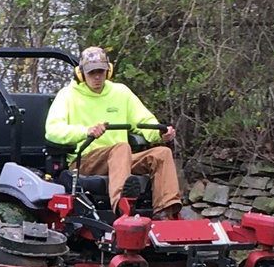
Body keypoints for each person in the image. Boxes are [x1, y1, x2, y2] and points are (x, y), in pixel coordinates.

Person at [43, 46, 181, 215]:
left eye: (101, 71)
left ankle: (167, 211)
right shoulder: (67, 95)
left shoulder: (121, 92)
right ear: (80, 73)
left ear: (108, 71)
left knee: (162, 153)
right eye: (92, 72)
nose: (97, 76)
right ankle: (122, 209)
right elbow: (53, 131)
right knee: (122, 147)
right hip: (85, 160)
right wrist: (86, 131)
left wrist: (160, 133)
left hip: (120, 159)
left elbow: (143, 121)